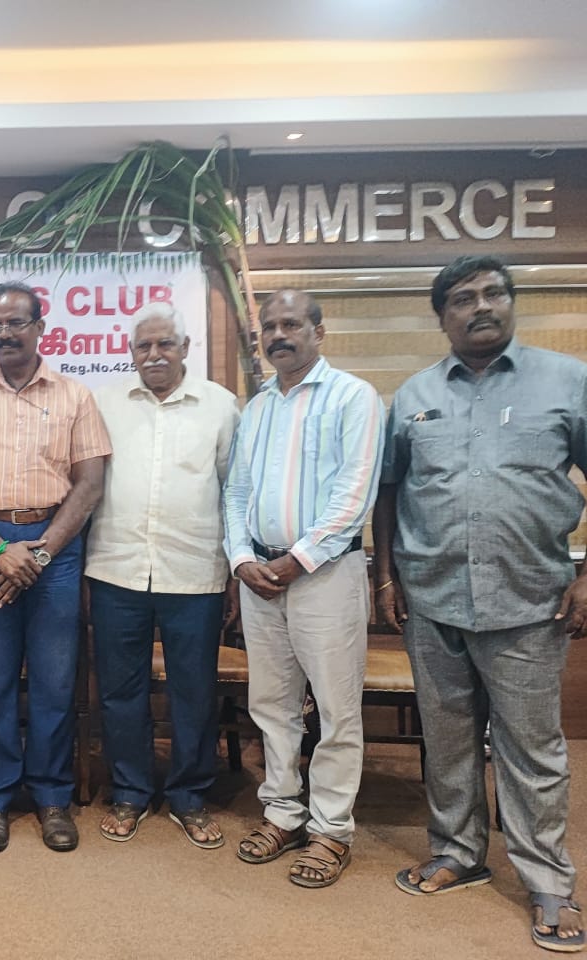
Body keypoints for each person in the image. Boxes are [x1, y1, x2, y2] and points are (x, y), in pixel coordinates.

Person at [373, 255, 587, 952]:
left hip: (529, 599)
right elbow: (390, 490)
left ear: (511, 302)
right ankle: (458, 853)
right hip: (432, 597)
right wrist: (387, 577)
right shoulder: (414, 394)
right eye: (463, 299)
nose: (482, 306)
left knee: (532, 748)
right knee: (448, 740)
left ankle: (548, 880)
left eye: (494, 293)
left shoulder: (567, 380)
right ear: (443, 318)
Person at [0, 280, 111, 853]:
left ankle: (53, 796)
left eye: (16, 323)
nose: (4, 333)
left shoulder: (75, 396)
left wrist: (41, 552)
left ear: (40, 328)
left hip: (54, 546)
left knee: (56, 681)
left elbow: (90, 484)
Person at [223, 288, 383, 888]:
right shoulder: (258, 407)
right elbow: (236, 493)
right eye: (270, 327)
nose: (278, 335)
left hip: (325, 576)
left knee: (337, 710)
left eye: (291, 324)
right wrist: (241, 559)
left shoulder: (353, 397)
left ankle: (331, 829)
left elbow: (354, 494)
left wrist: (297, 560)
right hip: (259, 579)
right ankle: (283, 813)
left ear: (319, 331)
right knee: (272, 705)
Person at [86, 301, 239, 847]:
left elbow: (234, 492)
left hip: (194, 572)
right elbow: (86, 484)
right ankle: (130, 791)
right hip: (116, 569)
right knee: (120, 690)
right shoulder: (104, 404)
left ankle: (189, 795)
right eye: (143, 346)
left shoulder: (220, 406)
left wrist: (234, 571)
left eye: (165, 344)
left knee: (193, 691)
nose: (154, 354)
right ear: (131, 352)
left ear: (185, 348)